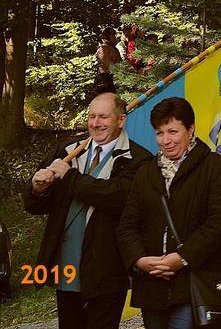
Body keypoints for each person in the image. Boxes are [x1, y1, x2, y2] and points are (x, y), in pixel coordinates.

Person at [23, 93, 151, 329]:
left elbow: (116, 197)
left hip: (106, 270)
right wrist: (38, 189)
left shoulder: (139, 159)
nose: (95, 123)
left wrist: (70, 177)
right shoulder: (67, 151)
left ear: (121, 120)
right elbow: (34, 206)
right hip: (67, 269)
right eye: (92, 116)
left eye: (104, 117)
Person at [117, 97, 221, 329]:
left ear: (190, 129)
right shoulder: (146, 172)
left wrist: (182, 258)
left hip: (195, 280)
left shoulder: (213, 166)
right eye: (160, 133)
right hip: (152, 284)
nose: (166, 140)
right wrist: (140, 260)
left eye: (173, 131)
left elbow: (220, 221)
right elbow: (128, 224)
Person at [94, 27, 121, 94]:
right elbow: (107, 62)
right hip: (106, 78)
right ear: (106, 36)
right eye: (112, 35)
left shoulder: (115, 49)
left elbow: (120, 62)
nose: (114, 36)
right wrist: (117, 71)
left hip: (116, 77)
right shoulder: (103, 48)